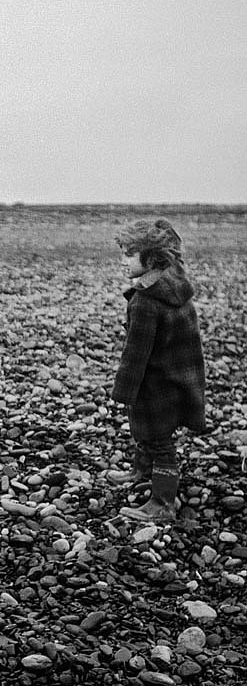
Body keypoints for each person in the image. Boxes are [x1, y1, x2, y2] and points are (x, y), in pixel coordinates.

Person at [106, 218, 207, 523]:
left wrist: (123, 391)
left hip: (157, 383)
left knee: (159, 440)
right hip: (180, 378)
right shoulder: (175, 285)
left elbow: (136, 354)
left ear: (150, 258)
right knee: (148, 432)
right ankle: (141, 469)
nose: (122, 261)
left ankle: (163, 501)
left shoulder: (146, 302)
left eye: (128, 254)